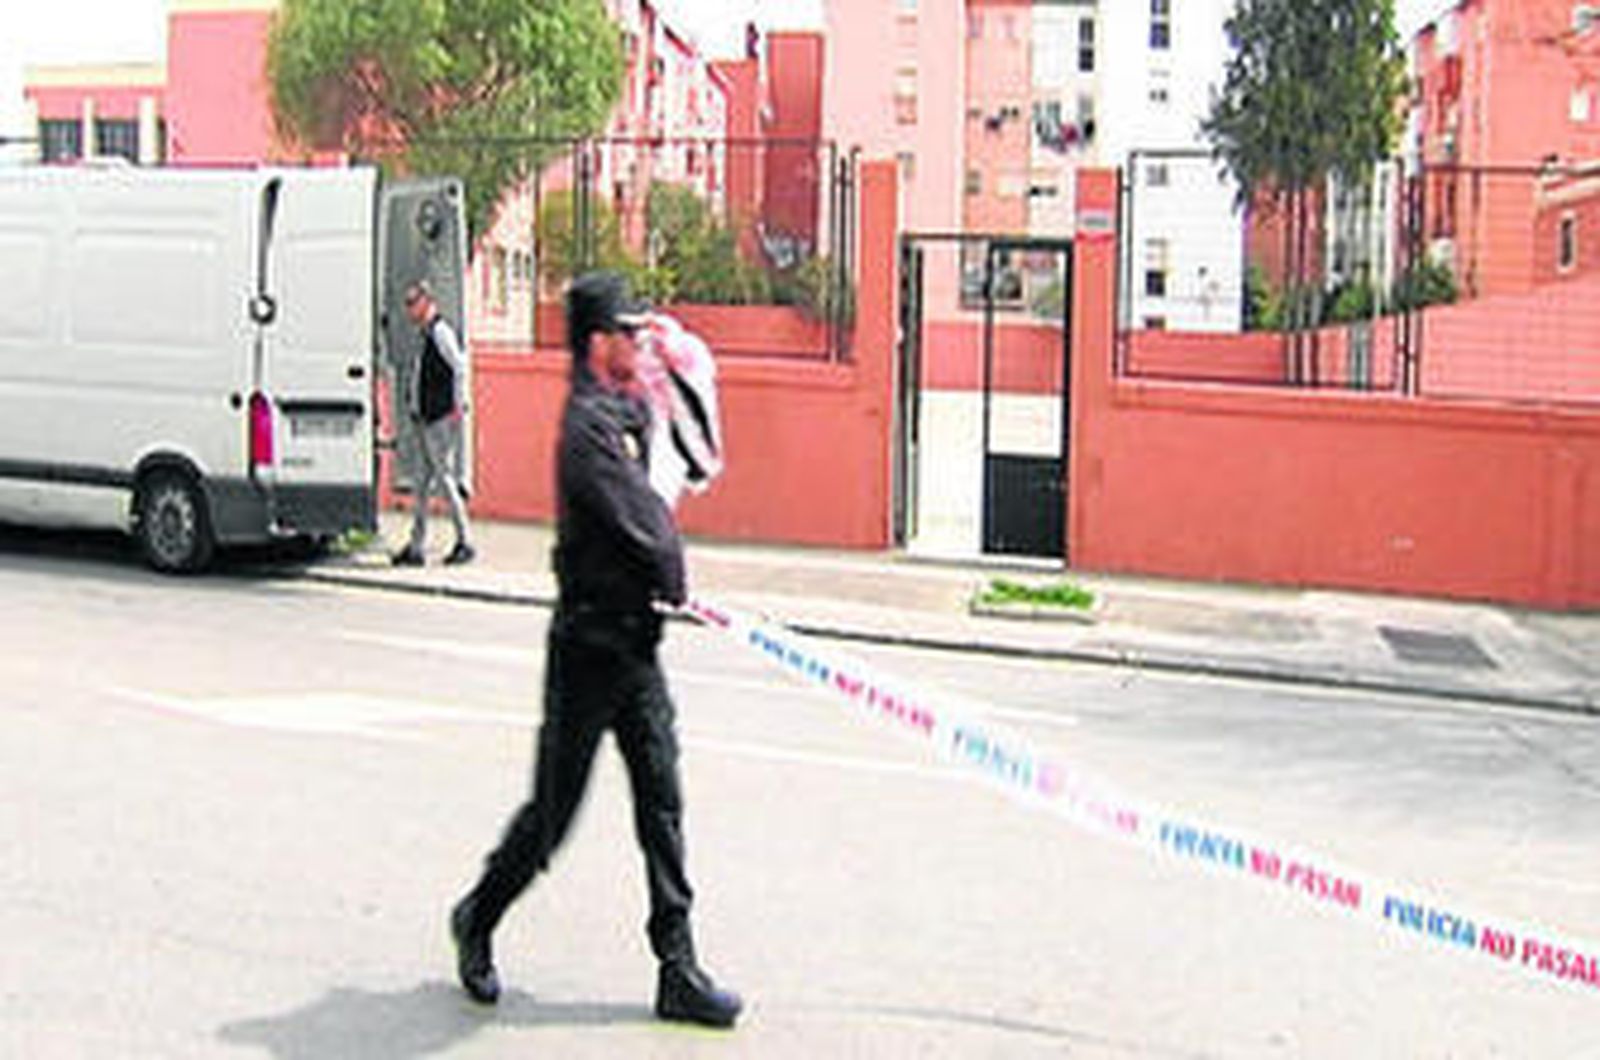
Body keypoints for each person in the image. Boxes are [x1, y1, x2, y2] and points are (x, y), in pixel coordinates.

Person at [448, 271, 742, 1029]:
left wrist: (680, 374)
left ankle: (677, 968)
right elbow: (635, 515)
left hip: (635, 647)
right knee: (553, 817)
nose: (640, 343)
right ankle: (477, 916)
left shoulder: (626, 407)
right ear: (595, 341)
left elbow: (680, 469)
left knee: (662, 804)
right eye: (628, 333)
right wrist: (672, 570)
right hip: (587, 649)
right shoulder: (584, 427)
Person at [391, 280, 474, 567]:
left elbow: (459, 366)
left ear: (426, 302)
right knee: (423, 484)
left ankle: (465, 540)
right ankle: (416, 546)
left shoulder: (440, 332)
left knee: (445, 479)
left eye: (413, 303)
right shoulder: (426, 334)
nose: (409, 310)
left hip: (439, 418)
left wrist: (457, 405)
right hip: (426, 417)